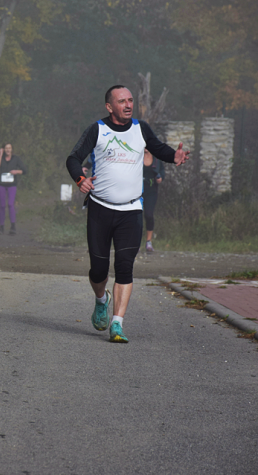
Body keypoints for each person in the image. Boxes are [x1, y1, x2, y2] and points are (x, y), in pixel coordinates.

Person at [66, 85, 189, 343]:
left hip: (131, 211)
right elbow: (73, 158)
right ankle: (101, 300)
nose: (128, 104)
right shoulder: (97, 130)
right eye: (122, 101)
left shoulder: (140, 128)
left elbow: (158, 148)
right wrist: (80, 179)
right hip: (100, 209)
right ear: (109, 107)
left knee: (125, 267)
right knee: (98, 270)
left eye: (131, 100)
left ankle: (117, 323)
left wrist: (174, 156)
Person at [0, 143, 27, 235]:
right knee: (2, 205)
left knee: (10, 204)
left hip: (12, 184)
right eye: (6, 148)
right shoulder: (1, 158)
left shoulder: (16, 159)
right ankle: (1, 227)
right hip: (1, 184)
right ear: (3, 149)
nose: (8, 150)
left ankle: (13, 226)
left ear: (12, 149)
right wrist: (0, 155)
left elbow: (25, 170)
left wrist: (16, 171)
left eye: (9, 148)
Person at [143, 148, 164, 253]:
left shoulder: (156, 159)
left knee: (149, 215)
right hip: (137, 191)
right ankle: (134, 242)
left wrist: (160, 178)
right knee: (135, 217)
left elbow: (162, 172)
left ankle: (148, 241)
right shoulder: (136, 156)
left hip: (151, 191)